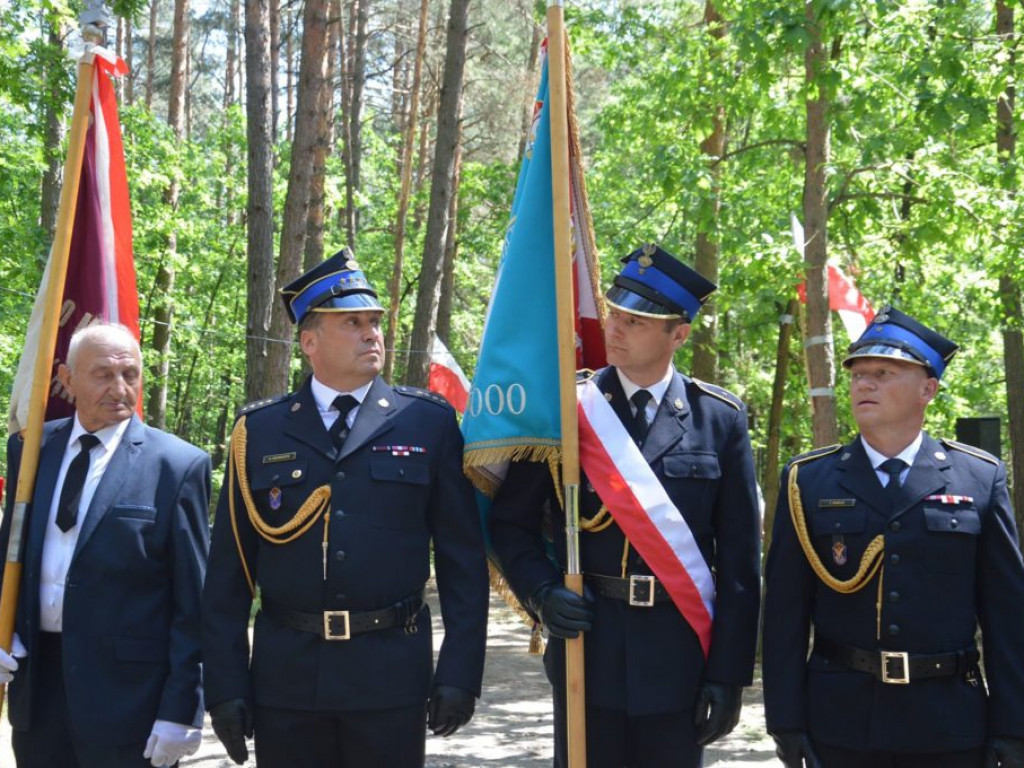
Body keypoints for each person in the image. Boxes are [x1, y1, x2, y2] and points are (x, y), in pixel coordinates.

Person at [202, 248, 490, 767]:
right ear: (309, 341)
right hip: (286, 678)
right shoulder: (260, 431)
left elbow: (462, 562)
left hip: (389, 677)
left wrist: (459, 672)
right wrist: (225, 684)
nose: (371, 333)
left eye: (374, 322)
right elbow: (230, 570)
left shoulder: (426, 422)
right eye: (352, 322)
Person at [489, 243, 762, 768]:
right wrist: (543, 593)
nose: (615, 328)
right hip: (589, 649)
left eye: (636, 321)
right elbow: (511, 526)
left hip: (680, 650)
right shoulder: (567, 411)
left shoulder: (719, 419)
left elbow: (739, 565)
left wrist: (729, 675)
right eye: (614, 313)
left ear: (678, 334)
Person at [763, 305, 1024, 768]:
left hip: (949, 723)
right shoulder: (808, 479)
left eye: (883, 372)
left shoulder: (977, 478)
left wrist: (1013, 724)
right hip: (840, 722)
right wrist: (785, 720)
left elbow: (1008, 615)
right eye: (859, 373)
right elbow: (785, 611)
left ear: (929, 389)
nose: (864, 383)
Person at [0, 322, 211, 768]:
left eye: (130, 374)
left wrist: (181, 709)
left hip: (129, 703)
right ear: (66, 378)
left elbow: (193, 602)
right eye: (102, 374)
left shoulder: (176, 466)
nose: (120, 388)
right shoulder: (32, 449)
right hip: (38, 695)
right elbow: (11, 555)